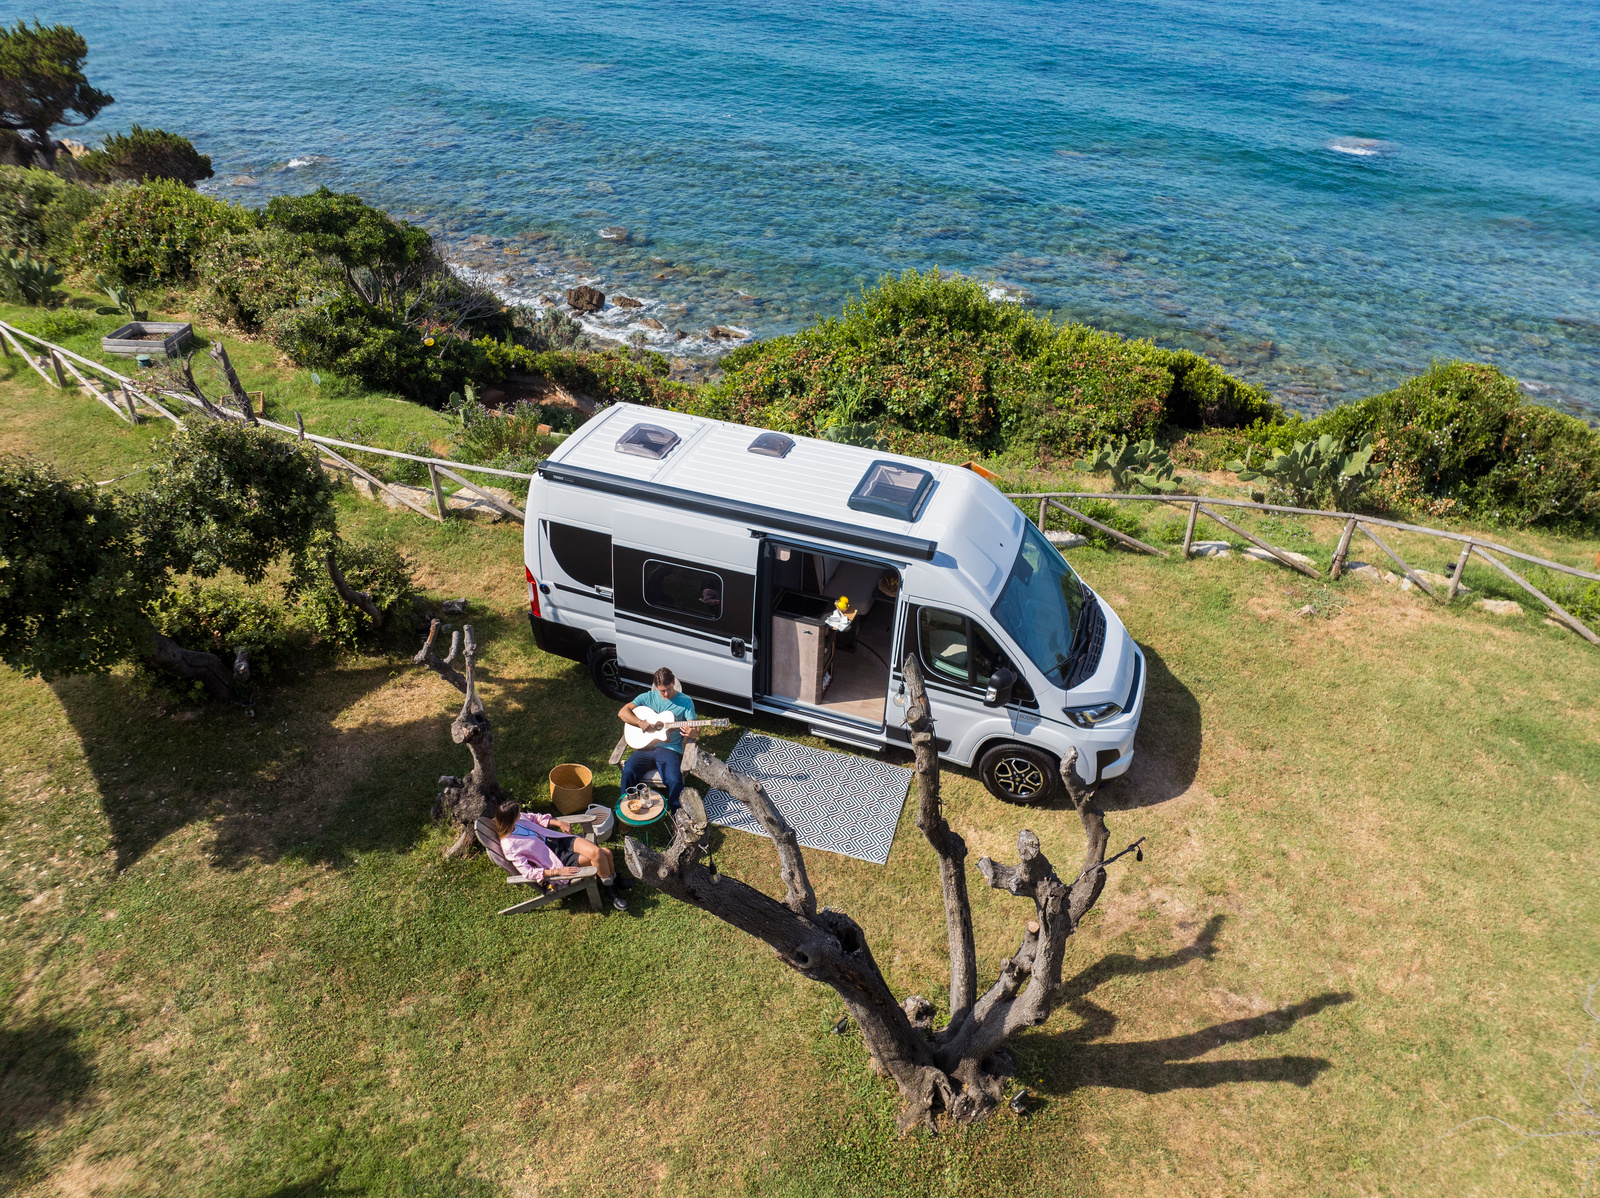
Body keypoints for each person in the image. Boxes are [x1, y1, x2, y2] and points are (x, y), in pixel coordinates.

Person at [491, 798, 627, 912]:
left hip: (557, 839)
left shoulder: (519, 820)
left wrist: (558, 822)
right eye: (518, 814)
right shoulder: (509, 845)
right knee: (605, 853)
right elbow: (528, 873)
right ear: (510, 819)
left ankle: (612, 884)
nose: (521, 815)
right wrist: (557, 871)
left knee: (599, 853)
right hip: (555, 858)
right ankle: (611, 890)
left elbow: (535, 818)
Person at [618, 666, 697, 811]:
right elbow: (623, 712)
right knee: (628, 772)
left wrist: (692, 734)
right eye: (662, 690)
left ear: (673, 682)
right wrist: (639, 722)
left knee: (674, 780)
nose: (666, 694)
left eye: (668, 689)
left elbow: (696, 730)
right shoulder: (647, 697)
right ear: (656, 687)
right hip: (645, 748)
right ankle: (628, 810)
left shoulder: (685, 701)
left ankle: (677, 817)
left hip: (670, 749)